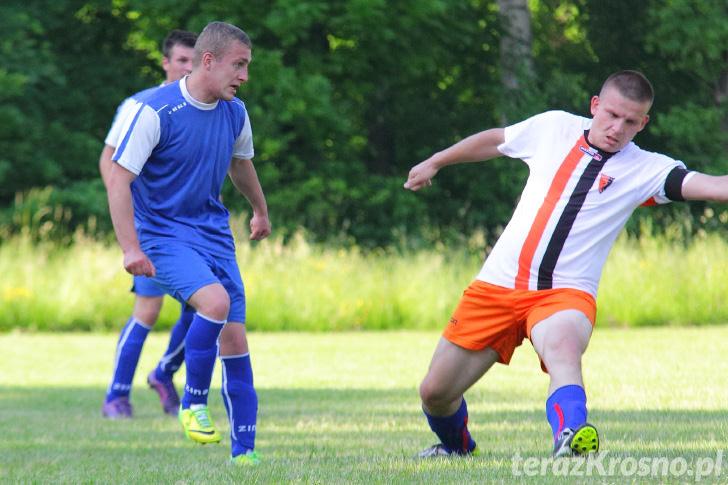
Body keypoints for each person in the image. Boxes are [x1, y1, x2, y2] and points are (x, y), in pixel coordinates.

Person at [403, 70, 728, 458]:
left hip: (564, 294)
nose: (616, 128)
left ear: (643, 123)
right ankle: (457, 448)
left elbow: (716, 186)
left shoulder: (648, 170)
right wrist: (434, 162)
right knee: (435, 393)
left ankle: (571, 436)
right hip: (496, 287)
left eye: (629, 122)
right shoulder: (553, 127)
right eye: (610, 115)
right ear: (595, 106)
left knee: (563, 349)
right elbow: (495, 140)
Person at [106, 21, 270, 466]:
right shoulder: (153, 110)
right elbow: (119, 180)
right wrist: (131, 248)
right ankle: (192, 401)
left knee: (235, 339)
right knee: (214, 305)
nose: (245, 76)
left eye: (248, 66)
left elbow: (241, 165)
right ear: (209, 60)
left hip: (214, 235)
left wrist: (259, 209)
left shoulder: (235, 112)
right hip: (162, 235)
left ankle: (245, 455)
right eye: (239, 65)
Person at [101, 29, 199, 420]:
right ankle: (116, 396)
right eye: (181, 61)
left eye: (195, 61)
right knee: (149, 310)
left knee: (208, 304)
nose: (188, 68)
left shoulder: (210, 106)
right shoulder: (140, 105)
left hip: (195, 227)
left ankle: (164, 372)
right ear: (165, 62)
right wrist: (130, 222)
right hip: (152, 226)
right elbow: (110, 165)